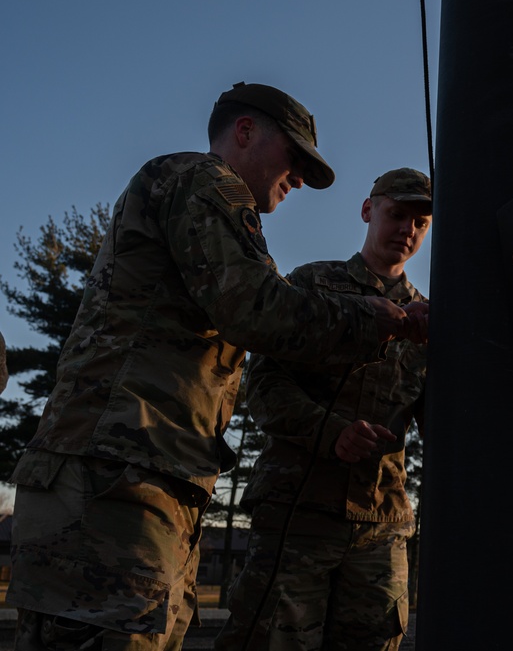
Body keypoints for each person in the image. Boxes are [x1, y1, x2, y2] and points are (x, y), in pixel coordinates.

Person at [8, 82, 419, 651]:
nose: (299, 177)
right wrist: (379, 321)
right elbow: (256, 309)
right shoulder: (200, 180)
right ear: (245, 132)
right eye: (294, 157)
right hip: (112, 477)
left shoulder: (209, 201)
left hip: (146, 476)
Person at [214, 167, 432, 651]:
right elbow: (264, 383)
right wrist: (329, 431)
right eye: (398, 215)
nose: (408, 230)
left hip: (381, 524)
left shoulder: (430, 319)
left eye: (421, 222)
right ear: (367, 211)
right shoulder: (313, 285)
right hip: (298, 513)